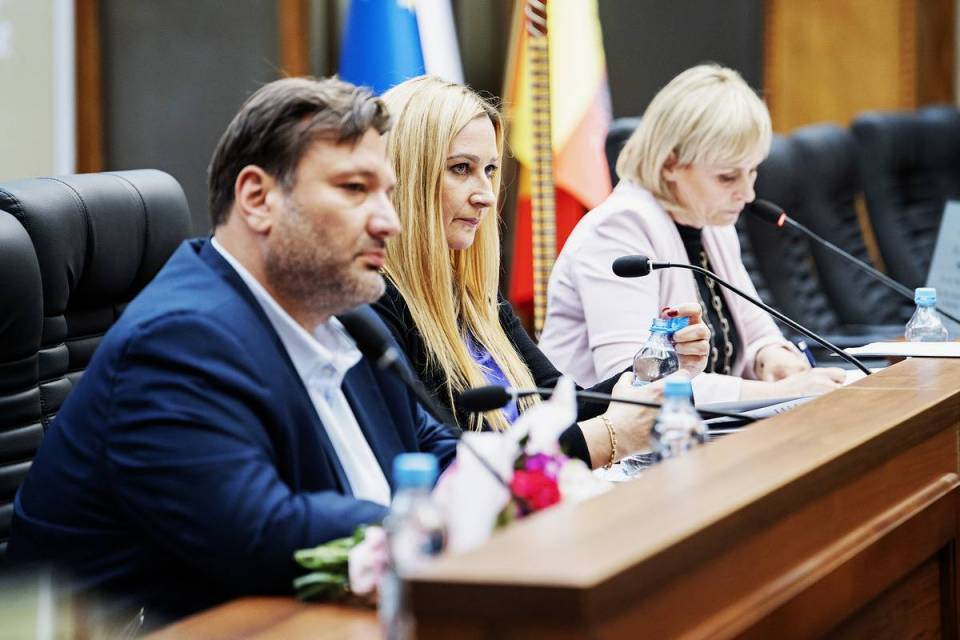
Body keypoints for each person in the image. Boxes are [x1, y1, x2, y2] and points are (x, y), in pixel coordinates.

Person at [7, 77, 458, 627]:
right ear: (258, 199)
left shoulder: (349, 323)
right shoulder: (178, 343)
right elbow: (260, 532)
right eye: (355, 189)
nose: (390, 221)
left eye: (387, 193)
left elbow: (435, 454)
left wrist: (515, 478)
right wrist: (429, 520)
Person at [371, 76, 711, 469]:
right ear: (405, 176)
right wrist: (608, 437)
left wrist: (655, 366)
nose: (486, 195)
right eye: (461, 168)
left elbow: (562, 404)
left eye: (490, 170)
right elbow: (460, 462)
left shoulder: (471, 295)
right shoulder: (377, 305)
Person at [539, 64, 845, 403]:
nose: (748, 194)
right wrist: (777, 392)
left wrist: (772, 356)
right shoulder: (617, 230)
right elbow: (634, 381)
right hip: (606, 432)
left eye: (752, 171)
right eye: (727, 177)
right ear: (671, 164)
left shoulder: (709, 221)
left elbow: (755, 328)